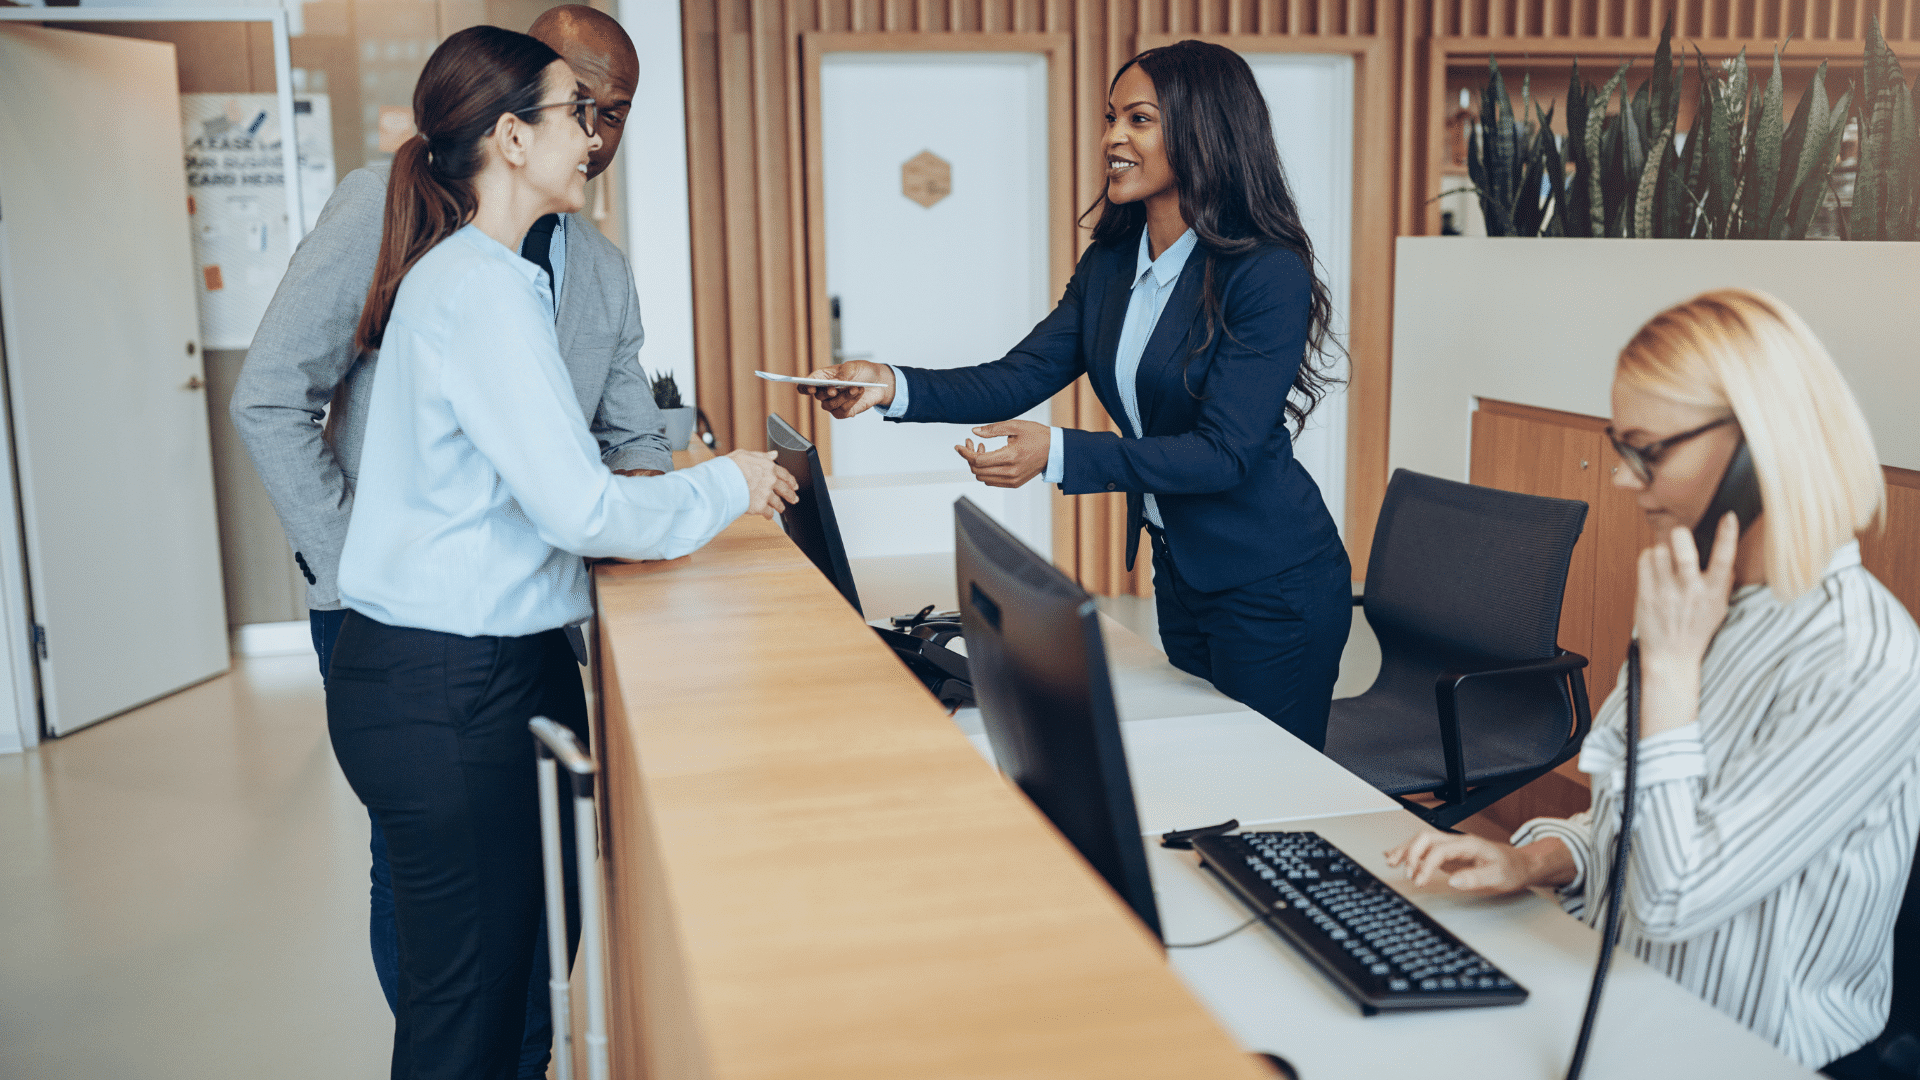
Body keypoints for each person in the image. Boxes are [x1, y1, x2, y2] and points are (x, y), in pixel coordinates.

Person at [318, 25, 794, 1079]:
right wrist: (733, 481)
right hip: (448, 685)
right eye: (575, 114)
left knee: (507, 1005)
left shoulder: (485, 279)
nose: (593, 137)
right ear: (510, 137)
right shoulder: (479, 290)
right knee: (467, 1020)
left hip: (473, 672)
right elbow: (580, 509)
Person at [231, 7, 660, 1075]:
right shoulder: (387, 215)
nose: (599, 132)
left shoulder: (594, 266)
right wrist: (352, 570)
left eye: (618, 112)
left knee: (524, 904)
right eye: (582, 103)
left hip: (522, 636)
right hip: (403, 632)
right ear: (518, 116)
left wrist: (661, 496)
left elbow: (630, 440)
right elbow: (272, 396)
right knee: (448, 936)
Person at [1385, 289, 1920, 1077]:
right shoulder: (1702, 596)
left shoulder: (1862, 659)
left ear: (1752, 446)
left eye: (1648, 449)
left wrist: (1669, 670)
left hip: (1751, 1050)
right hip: (1630, 996)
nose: (1627, 479)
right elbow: (1634, 822)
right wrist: (1533, 861)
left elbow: (1675, 897)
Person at [801, 40, 1351, 749]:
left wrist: (1058, 453)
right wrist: (888, 385)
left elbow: (1226, 455)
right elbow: (1020, 374)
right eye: (1111, 118)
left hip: (1274, 585)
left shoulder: (1265, 273)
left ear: (1206, 130)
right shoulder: (1114, 264)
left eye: (1140, 120)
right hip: (1182, 571)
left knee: (1269, 782)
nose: (1112, 138)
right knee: (1210, 760)